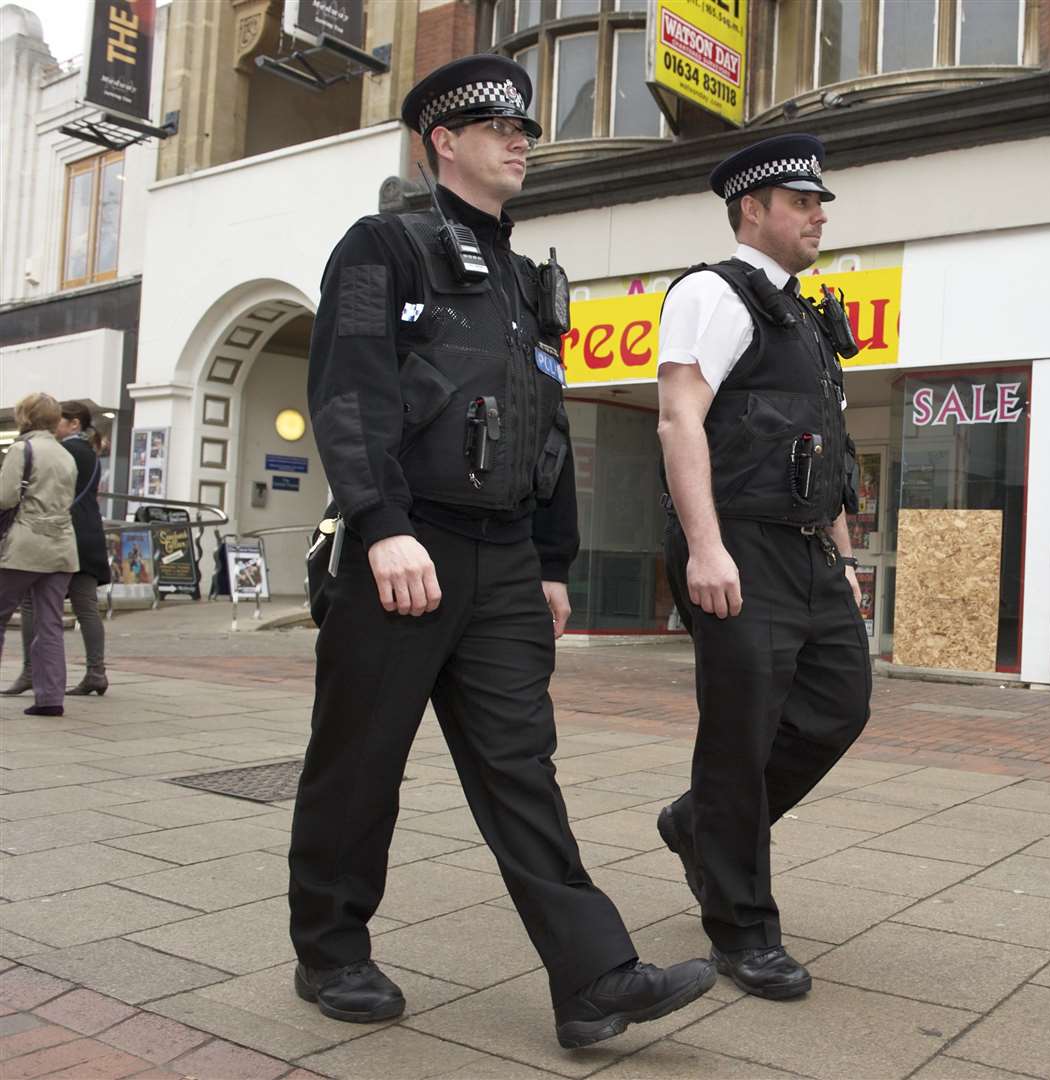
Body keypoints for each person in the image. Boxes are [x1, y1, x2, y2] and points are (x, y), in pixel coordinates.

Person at [285, 55, 712, 1049]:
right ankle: (331, 949)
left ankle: (594, 979)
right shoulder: (381, 249)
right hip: (407, 548)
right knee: (360, 763)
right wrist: (381, 524)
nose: (524, 140)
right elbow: (350, 392)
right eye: (500, 127)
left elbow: (544, 424)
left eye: (526, 128)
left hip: (505, 563)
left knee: (524, 770)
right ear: (444, 140)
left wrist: (554, 561)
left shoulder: (524, 281)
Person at [655, 133, 872, 1000]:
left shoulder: (806, 316)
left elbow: (832, 455)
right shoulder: (714, 292)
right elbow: (678, 420)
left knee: (837, 709)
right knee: (740, 738)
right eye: (802, 202)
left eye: (820, 203)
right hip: (738, 543)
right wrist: (704, 547)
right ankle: (742, 930)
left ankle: (698, 827)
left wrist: (847, 559)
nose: (818, 214)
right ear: (753, 208)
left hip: (811, 550)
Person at [2, 401, 113, 698]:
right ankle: (92, 673)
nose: (59, 427)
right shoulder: (87, 452)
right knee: (81, 609)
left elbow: (8, 496)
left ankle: (29, 671)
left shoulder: (58, 450)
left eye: (64, 421)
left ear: (74, 423)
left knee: (29, 606)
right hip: (79, 536)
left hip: (47, 536)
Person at [0, 393, 81, 717]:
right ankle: (50, 697)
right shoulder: (66, 455)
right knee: (50, 624)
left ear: (25, 416)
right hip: (62, 546)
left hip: (25, 545)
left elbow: (5, 497)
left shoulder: (22, 449)